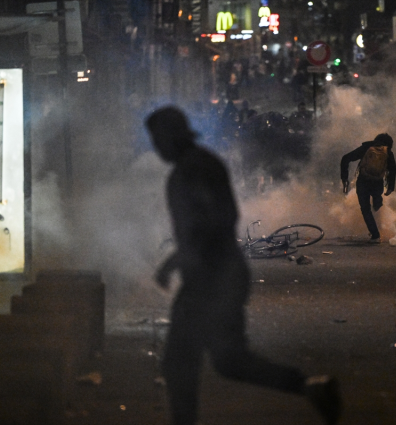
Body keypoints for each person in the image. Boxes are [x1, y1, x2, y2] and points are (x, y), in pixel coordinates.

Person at [146, 106, 342, 425]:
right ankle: (309, 387)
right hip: (219, 277)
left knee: (180, 364)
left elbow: (213, 222)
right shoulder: (199, 165)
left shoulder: (192, 170)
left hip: (211, 281)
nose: (156, 147)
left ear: (171, 136)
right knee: (229, 361)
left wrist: (175, 260)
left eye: (157, 139)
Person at [340, 133, 396, 243]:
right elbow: (393, 169)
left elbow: (345, 158)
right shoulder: (388, 152)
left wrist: (344, 178)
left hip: (363, 182)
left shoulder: (366, 148)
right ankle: (377, 201)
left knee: (365, 209)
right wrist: (391, 187)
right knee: (376, 202)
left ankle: (375, 236)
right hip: (377, 183)